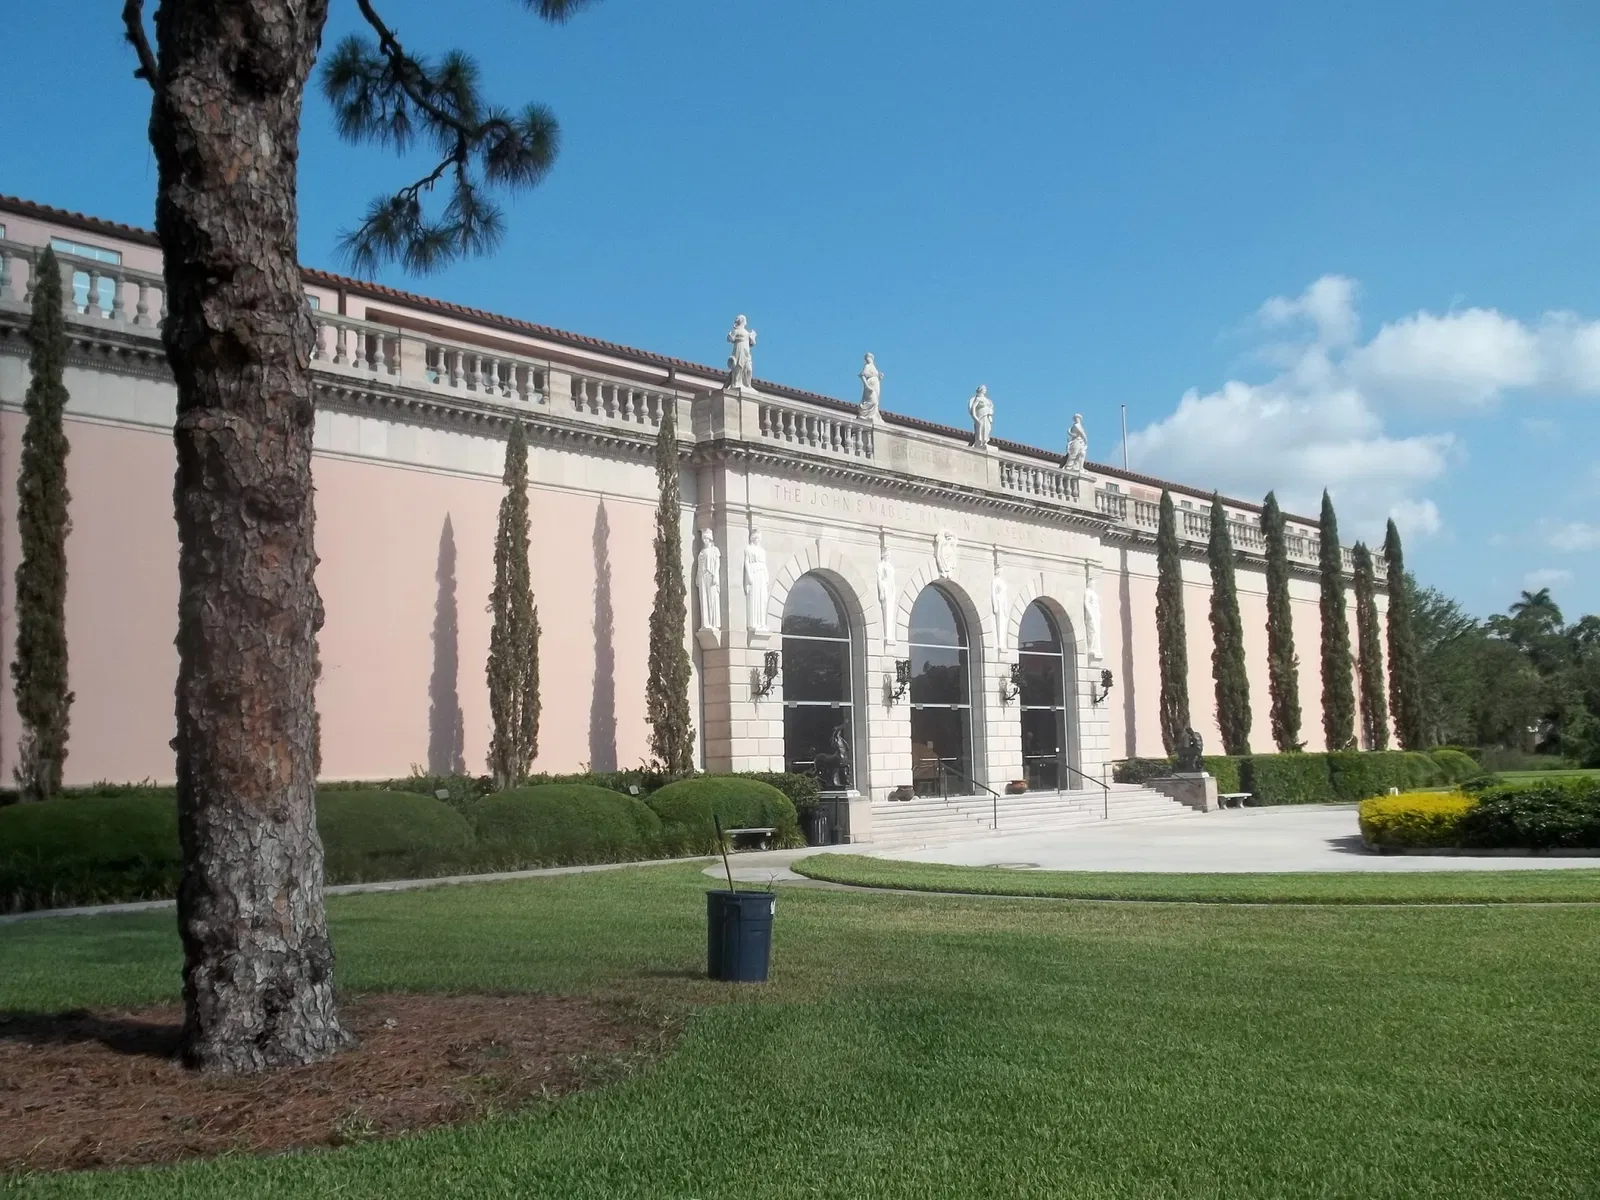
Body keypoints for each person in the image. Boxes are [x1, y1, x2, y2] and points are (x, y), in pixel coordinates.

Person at [726, 314, 757, 390]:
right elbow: (730, 339)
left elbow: (752, 343)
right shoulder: (736, 331)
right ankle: (737, 383)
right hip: (739, 349)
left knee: (749, 369)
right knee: (738, 366)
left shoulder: (747, 332)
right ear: (742, 321)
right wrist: (730, 336)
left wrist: (752, 337)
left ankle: (747, 384)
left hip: (746, 351)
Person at [859, 353, 883, 419]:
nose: (867, 359)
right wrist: (866, 386)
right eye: (866, 358)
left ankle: (873, 415)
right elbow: (862, 376)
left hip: (876, 385)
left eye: (868, 358)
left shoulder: (874, 367)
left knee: (876, 401)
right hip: (870, 385)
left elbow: (876, 376)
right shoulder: (867, 366)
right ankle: (866, 415)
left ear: (871, 358)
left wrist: (880, 377)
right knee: (873, 401)